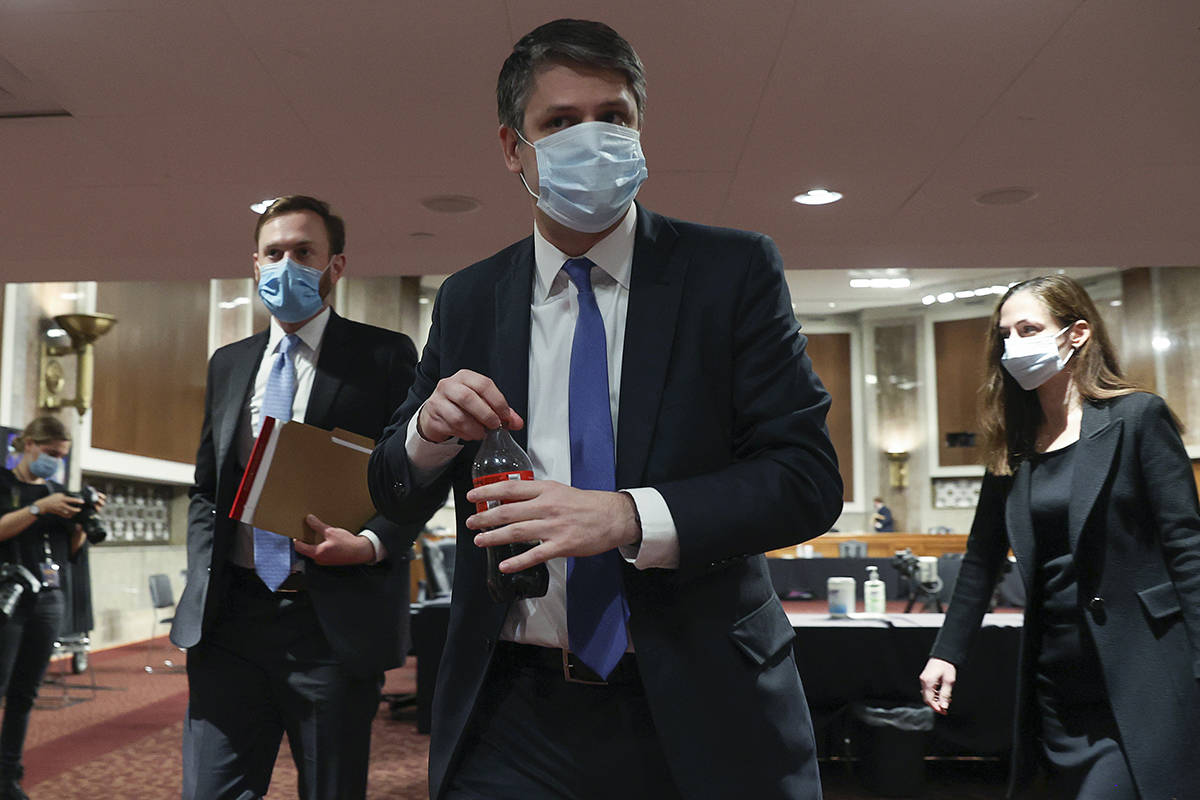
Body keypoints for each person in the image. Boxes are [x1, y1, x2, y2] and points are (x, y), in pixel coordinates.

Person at [368, 19, 843, 800]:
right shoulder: (470, 299)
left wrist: (626, 516)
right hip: (510, 709)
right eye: (560, 121)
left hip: (701, 700)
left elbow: (806, 481)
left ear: (639, 127)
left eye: (612, 117)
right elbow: (391, 486)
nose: (591, 138)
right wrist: (427, 431)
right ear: (513, 147)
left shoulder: (731, 273)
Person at [172, 195, 419, 800]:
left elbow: (413, 478)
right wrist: (203, 571)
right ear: (255, 265)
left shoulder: (384, 355)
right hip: (229, 621)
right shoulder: (229, 363)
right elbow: (207, 488)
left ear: (336, 265)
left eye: (304, 252)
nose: (287, 266)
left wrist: (372, 542)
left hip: (328, 622)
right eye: (274, 253)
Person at [918, 275, 1200, 799]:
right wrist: (947, 652)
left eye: (1029, 329)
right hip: (1056, 677)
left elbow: (1187, 549)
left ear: (1077, 333)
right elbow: (981, 558)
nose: (1014, 345)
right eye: (1005, 335)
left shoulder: (1137, 417)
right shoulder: (1014, 443)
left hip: (1141, 669)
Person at [0, 417, 100, 800]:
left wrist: (82, 522)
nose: (55, 461)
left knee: (25, 694)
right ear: (28, 444)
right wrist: (39, 508)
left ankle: (8, 777)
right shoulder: (6, 484)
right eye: (50, 452)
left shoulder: (59, 492)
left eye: (61, 455)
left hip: (49, 599)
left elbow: (71, 552)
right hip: (8, 599)